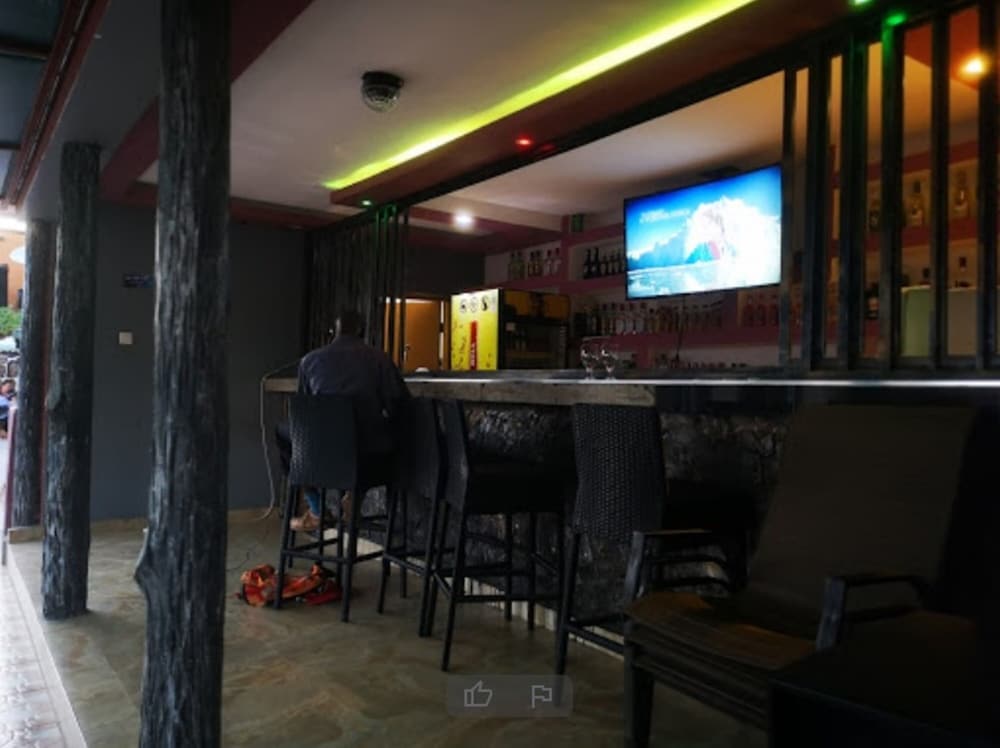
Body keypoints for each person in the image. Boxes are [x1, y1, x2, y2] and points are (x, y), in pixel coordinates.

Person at [279, 308, 409, 531]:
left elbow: (305, 415)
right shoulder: (379, 359)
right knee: (379, 440)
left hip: (321, 458)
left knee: (284, 434)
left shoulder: (309, 361)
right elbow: (399, 406)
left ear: (334, 332)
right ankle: (355, 495)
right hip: (367, 461)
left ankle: (317, 509)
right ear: (362, 330)